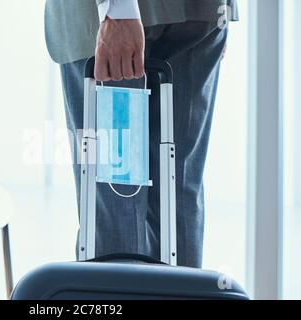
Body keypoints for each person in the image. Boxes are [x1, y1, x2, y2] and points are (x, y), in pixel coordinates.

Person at [44, 0, 238, 268]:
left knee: (125, 197)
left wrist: (117, 10)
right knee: (165, 192)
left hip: (134, 16)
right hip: (197, 14)